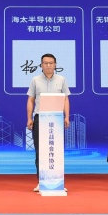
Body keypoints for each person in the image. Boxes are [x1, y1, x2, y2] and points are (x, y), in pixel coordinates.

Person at [26, 53, 70, 190]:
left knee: (56, 150)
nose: (48, 65)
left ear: (55, 65)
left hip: (57, 118)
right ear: (41, 65)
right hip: (40, 118)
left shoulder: (61, 80)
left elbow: (65, 99)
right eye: (45, 63)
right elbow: (30, 100)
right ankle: (41, 181)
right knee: (40, 151)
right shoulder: (35, 80)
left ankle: (58, 181)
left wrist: (66, 116)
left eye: (51, 63)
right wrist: (29, 118)